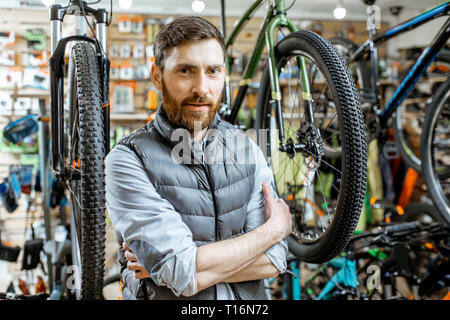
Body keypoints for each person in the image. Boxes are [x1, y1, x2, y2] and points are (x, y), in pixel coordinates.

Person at [105, 16, 292, 300]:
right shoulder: (127, 160)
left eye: (213, 71)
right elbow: (181, 270)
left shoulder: (246, 148)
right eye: (186, 71)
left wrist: (192, 265)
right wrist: (274, 230)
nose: (202, 88)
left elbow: (275, 260)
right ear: (157, 76)